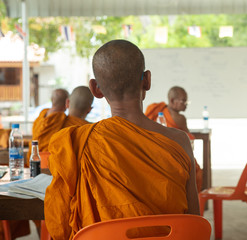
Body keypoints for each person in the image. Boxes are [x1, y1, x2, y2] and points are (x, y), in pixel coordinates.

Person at [44, 40, 199, 240]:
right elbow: (194, 220)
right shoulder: (179, 141)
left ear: (95, 89)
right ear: (147, 81)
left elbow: (61, 222)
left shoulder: (78, 143)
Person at [145, 86, 203, 192]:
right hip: (176, 156)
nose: (186, 104)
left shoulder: (156, 110)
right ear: (172, 101)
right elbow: (189, 140)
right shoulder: (180, 118)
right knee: (196, 170)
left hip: (155, 156)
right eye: (183, 101)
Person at [28, 86, 93, 157]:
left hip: (37, 163)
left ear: (67, 103)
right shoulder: (91, 130)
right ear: (89, 109)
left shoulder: (52, 119)